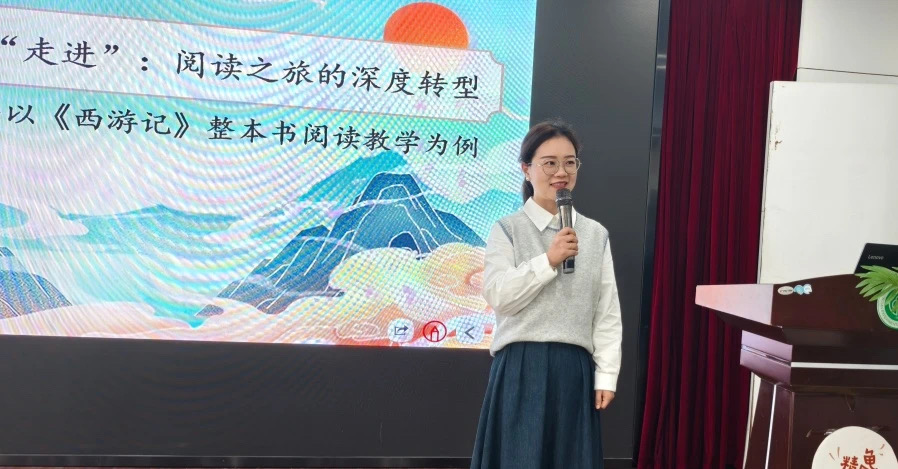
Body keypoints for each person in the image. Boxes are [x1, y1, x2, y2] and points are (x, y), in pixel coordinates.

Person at [470, 119, 623, 469]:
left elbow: (606, 311)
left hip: (574, 369)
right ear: (526, 169)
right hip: (520, 367)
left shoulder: (594, 234)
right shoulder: (507, 229)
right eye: (549, 163)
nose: (561, 172)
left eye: (569, 162)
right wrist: (548, 260)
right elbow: (499, 295)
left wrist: (606, 374)